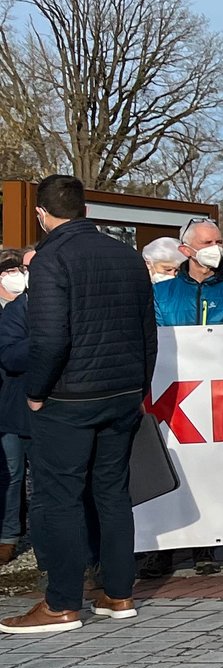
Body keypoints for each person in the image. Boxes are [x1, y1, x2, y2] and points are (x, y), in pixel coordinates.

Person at [2, 175, 156, 636]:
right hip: (123, 393)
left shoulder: (52, 258)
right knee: (112, 493)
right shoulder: (126, 255)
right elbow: (147, 330)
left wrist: (35, 390)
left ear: (41, 214)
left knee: (58, 498)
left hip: (69, 397)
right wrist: (139, 386)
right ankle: (118, 593)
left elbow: (49, 338)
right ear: (85, 209)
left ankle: (62, 604)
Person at [138, 218, 223, 579]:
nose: (216, 247)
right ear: (186, 250)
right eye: (208, 241)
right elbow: (156, 339)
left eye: (220, 240)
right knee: (169, 466)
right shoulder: (161, 293)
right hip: (170, 396)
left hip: (218, 394)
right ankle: (164, 550)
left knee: (211, 469)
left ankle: (206, 545)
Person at [0, 251, 31, 564]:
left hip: (41, 404)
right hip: (10, 405)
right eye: (10, 270)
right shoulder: (12, 313)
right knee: (10, 473)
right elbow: (9, 356)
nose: (17, 275)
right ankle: (8, 536)